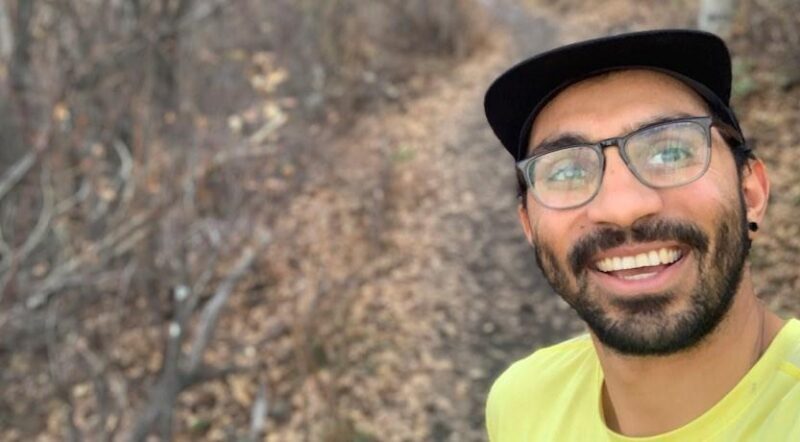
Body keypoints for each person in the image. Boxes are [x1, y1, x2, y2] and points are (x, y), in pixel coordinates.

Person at [482, 29, 800, 440]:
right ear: (529, 226)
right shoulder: (520, 403)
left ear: (750, 192)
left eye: (670, 152)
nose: (622, 208)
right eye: (566, 171)